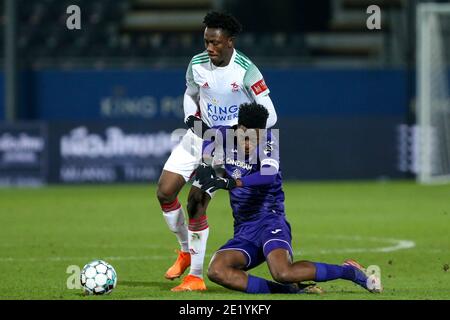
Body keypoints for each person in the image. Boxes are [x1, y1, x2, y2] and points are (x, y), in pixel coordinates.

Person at [195, 102, 382, 294]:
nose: (252, 144)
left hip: (270, 219)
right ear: (240, 128)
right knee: (216, 271)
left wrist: (233, 183)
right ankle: (289, 291)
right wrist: (206, 164)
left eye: (257, 137)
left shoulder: (268, 140)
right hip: (244, 228)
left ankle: (350, 272)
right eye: (249, 138)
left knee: (283, 272)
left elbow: (268, 174)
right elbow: (209, 141)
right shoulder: (223, 134)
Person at [156, 11, 278, 292]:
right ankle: (186, 251)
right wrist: (191, 117)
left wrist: (240, 133)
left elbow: (271, 115)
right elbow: (190, 93)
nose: (209, 48)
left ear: (230, 42)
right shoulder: (197, 64)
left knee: (196, 200)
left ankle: (196, 277)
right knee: (164, 191)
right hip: (200, 134)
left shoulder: (247, 71)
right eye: (206, 42)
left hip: (228, 144)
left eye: (215, 43)